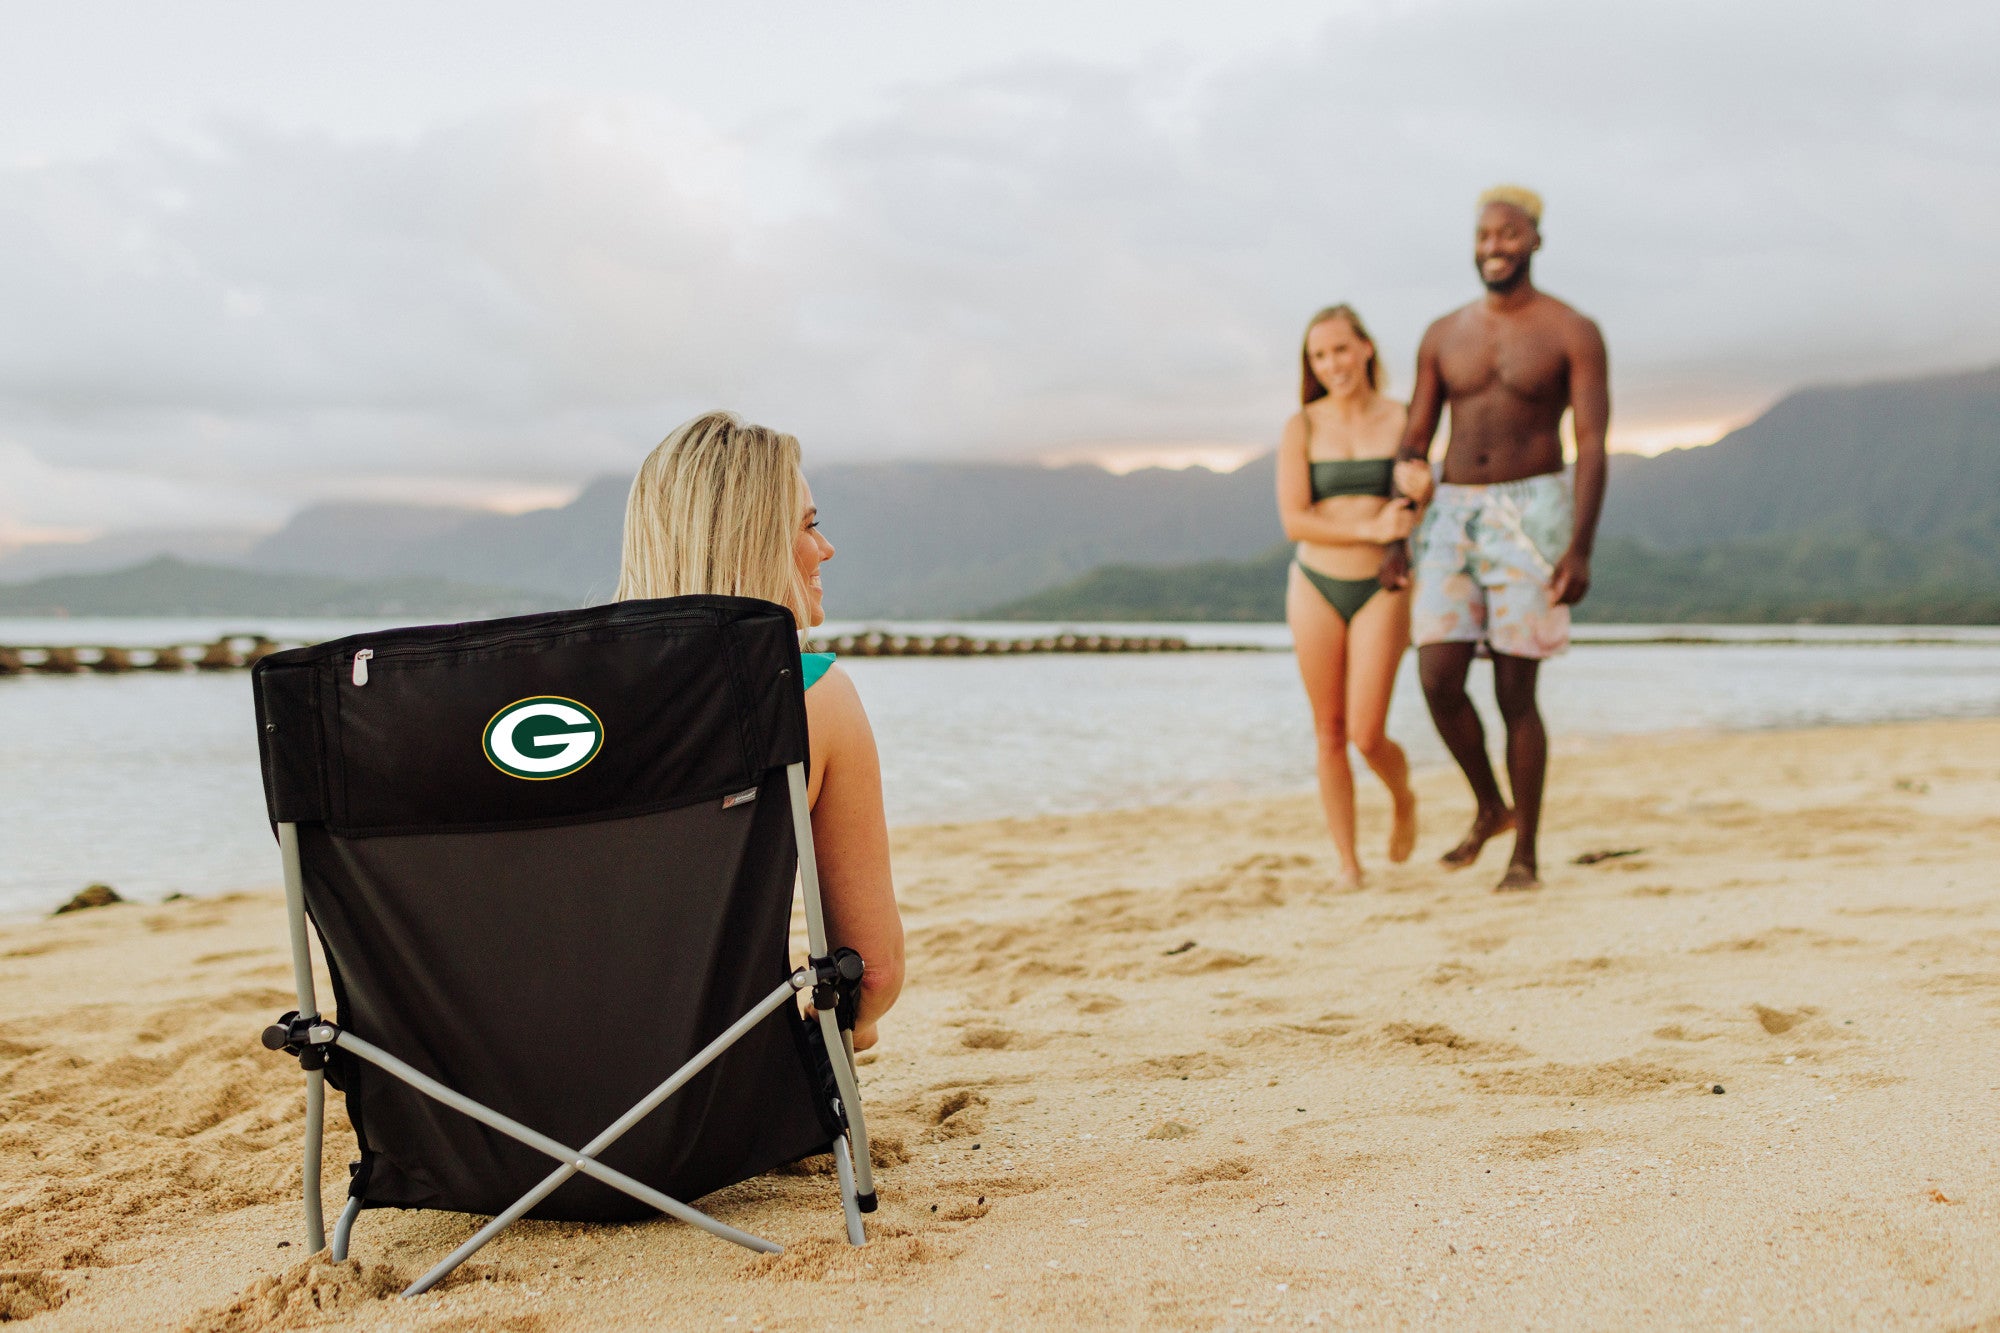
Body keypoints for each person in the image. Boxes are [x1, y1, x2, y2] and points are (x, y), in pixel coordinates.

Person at [616, 410, 906, 1047]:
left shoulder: (551, 713)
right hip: (713, 1098)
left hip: (499, 1117)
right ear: (751, 540)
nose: (824, 548)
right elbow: (874, 975)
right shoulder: (809, 695)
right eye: (808, 526)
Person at [1383, 185, 1610, 892]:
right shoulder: (1442, 333)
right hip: (1451, 513)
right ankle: (1489, 804)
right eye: (1484, 235)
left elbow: (1594, 443)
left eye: (1509, 234)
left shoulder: (1572, 329)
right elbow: (1415, 438)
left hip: (1535, 508)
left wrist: (1580, 546)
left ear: (1535, 240)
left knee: (1517, 690)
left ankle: (1526, 856)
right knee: (1437, 675)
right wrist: (1398, 531)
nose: (1494, 247)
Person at [1276, 305, 1422, 888]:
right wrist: (1368, 528)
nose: (1332, 363)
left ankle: (1403, 795)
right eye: (1319, 355)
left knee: (1366, 732)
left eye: (1340, 349)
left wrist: (1421, 492)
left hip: (1382, 588)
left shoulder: (1405, 418)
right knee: (1329, 733)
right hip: (1314, 583)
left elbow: (1416, 505)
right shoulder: (1302, 426)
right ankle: (1348, 865)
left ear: (1365, 348)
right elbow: (1295, 521)